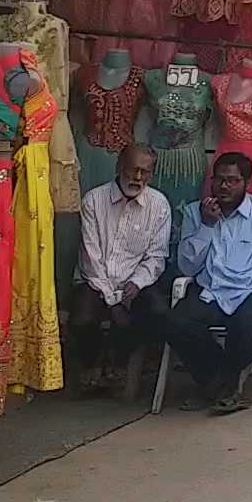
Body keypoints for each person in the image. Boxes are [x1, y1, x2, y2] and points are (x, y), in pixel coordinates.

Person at [162, 153, 252, 414]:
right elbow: (187, 266)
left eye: (232, 181)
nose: (224, 187)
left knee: (246, 328)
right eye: (220, 180)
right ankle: (224, 386)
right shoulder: (194, 212)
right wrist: (206, 226)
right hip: (211, 291)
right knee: (174, 322)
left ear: (246, 182)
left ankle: (213, 386)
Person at [70, 144, 170, 390]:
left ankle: (121, 362)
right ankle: (90, 363)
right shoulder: (94, 200)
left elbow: (156, 257)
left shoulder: (159, 205)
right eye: (133, 170)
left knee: (158, 313)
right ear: (119, 167)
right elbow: (90, 258)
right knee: (82, 320)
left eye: (145, 172)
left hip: (135, 282)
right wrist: (112, 301)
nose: (137, 178)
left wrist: (136, 283)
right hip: (94, 280)